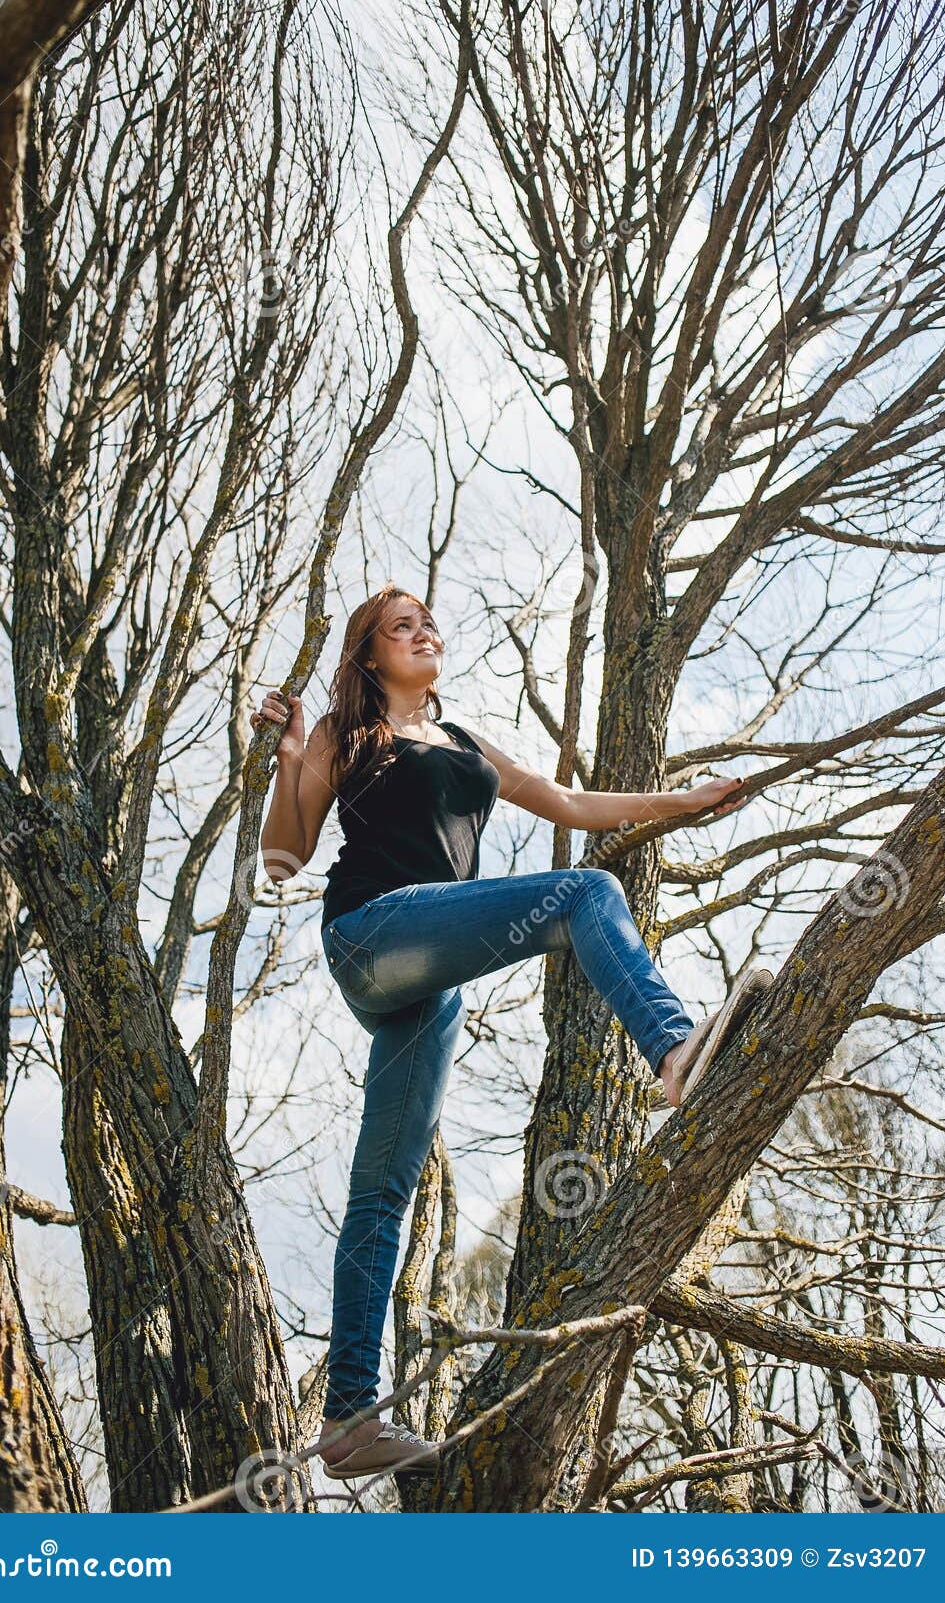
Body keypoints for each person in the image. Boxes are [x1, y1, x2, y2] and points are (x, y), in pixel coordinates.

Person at [250, 582, 772, 1480]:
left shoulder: (463, 743)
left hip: (427, 980)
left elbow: (568, 803)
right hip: (371, 932)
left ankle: (347, 1419)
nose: (423, 632)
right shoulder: (346, 732)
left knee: (385, 1193)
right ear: (369, 655)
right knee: (583, 894)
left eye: (427, 621)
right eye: (399, 626)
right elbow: (283, 856)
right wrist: (291, 752)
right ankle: (673, 1051)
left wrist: (679, 804)